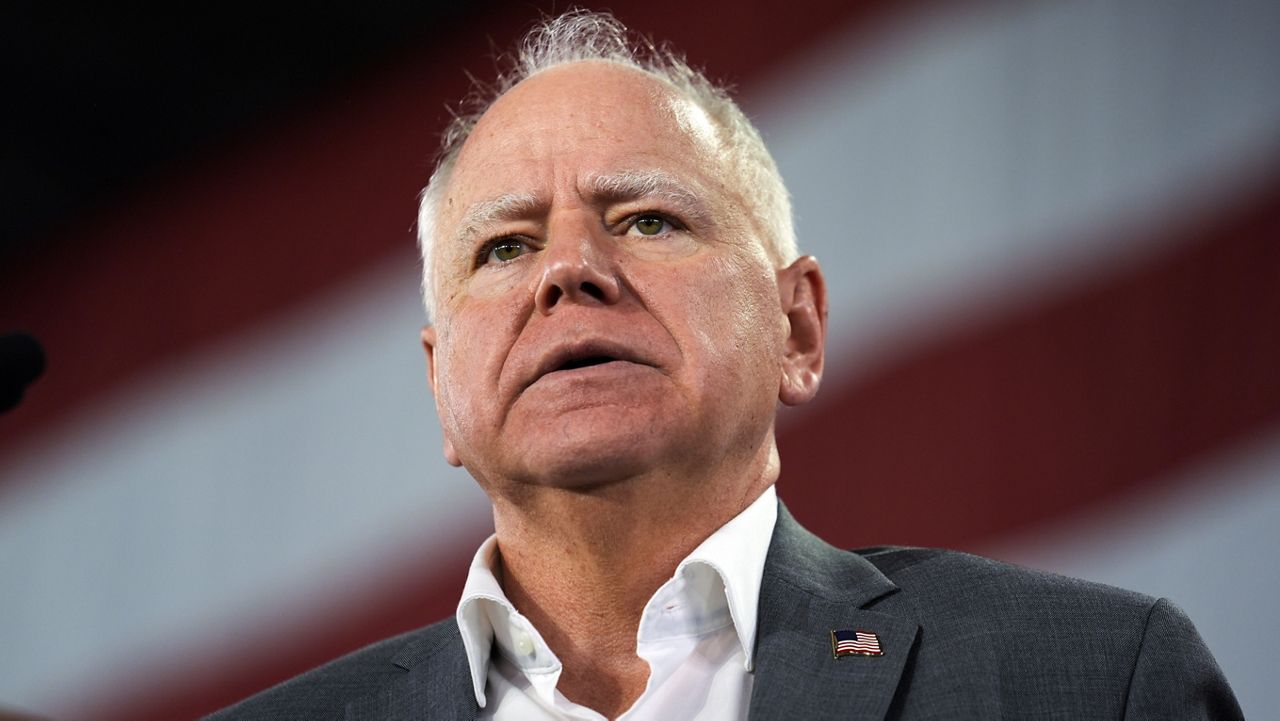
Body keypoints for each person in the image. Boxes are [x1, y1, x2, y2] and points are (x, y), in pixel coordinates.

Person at [208, 10, 1242, 720]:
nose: (568, 269)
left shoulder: (1086, 682)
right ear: (440, 386)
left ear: (794, 328)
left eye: (646, 218)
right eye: (505, 246)